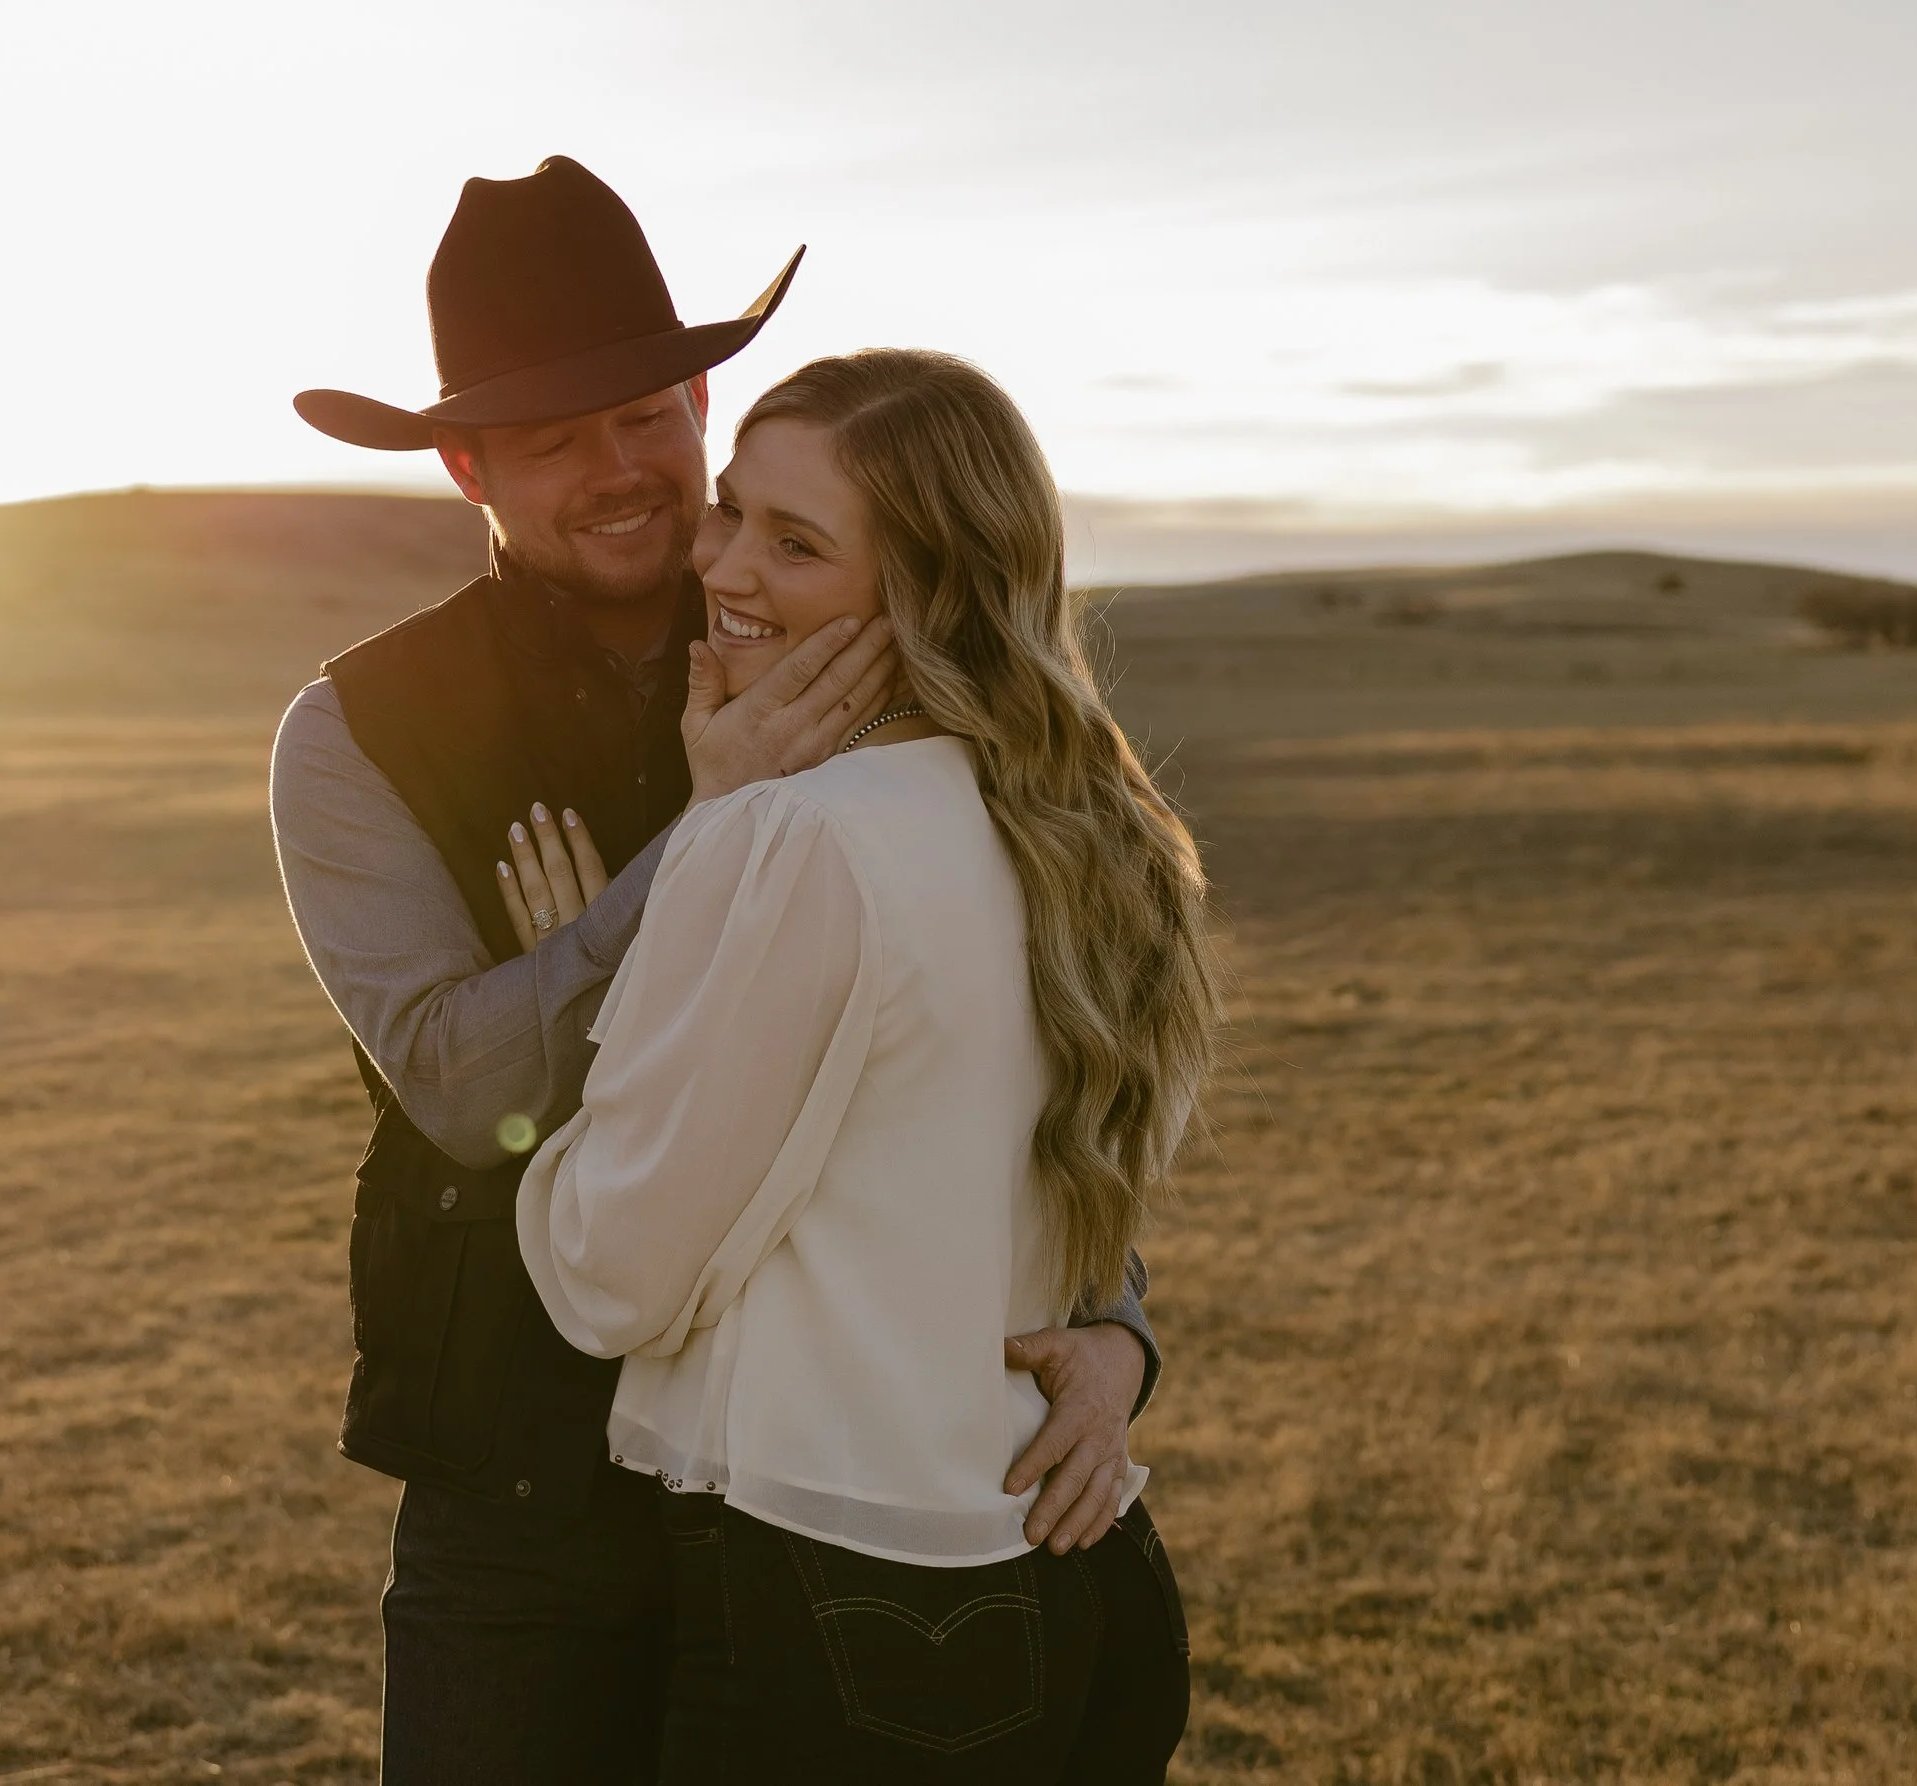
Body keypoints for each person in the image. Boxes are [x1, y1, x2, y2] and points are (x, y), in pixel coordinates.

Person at [270, 158, 1164, 1784]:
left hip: (802, 1494)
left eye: (645, 416)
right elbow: (466, 1089)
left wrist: (1114, 1326)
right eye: (553, 442)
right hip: (524, 1490)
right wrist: (707, 834)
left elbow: (1000, 1026)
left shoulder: (836, 611)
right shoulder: (357, 731)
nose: (621, 472)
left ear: (701, 402)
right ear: (467, 466)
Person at [510, 349, 1221, 1781]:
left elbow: (610, 1274)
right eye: (733, 511)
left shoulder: (794, 836)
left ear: (927, 592)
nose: (724, 568)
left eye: (797, 543)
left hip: (856, 1621)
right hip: (1082, 1573)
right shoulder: (1088, 825)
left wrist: (621, 993)